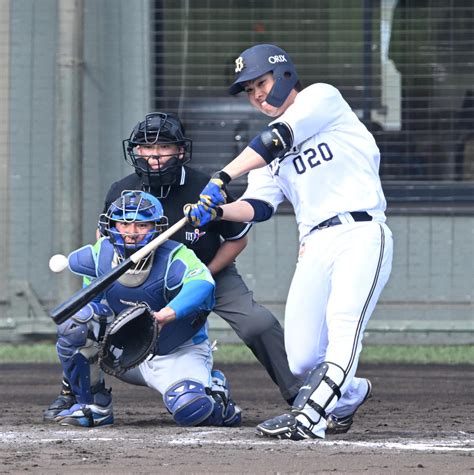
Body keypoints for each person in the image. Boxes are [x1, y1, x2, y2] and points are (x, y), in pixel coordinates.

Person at [185, 44, 394, 440]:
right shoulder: (264, 153)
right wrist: (216, 212)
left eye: (260, 83)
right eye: (249, 90)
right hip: (315, 243)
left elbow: (278, 137)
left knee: (344, 326)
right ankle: (349, 395)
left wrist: (220, 177)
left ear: (282, 76)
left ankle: (309, 418)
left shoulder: (322, 98)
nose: (257, 95)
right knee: (300, 359)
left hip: (360, 231)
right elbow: (258, 205)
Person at [43, 112, 301, 422]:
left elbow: (237, 241)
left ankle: (298, 393)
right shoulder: (122, 189)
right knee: (81, 321)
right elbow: (104, 240)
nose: (153, 155)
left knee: (256, 323)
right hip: (142, 277)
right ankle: (77, 393)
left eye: (163, 147)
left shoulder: (204, 186)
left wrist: (203, 274)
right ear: (135, 150)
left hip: (207, 267)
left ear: (180, 150)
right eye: (145, 148)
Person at [50, 190, 241, 428]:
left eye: (141, 224)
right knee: (77, 322)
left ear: (156, 227)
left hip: (175, 351)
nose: (131, 233)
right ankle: (94, 405)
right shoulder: (100, 254)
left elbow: (202, 285)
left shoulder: (176, 255)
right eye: (123, 224)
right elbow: (90, 309)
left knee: (192, 411)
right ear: (111, 226)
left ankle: (217, 393)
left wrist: (165, 315)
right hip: (124, 352)